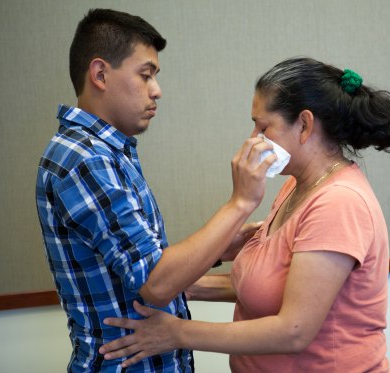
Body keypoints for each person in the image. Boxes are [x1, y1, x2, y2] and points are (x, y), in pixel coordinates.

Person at [99, 56, 390, 372]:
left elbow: (294, 332)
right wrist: (179, 285)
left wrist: (177, 332)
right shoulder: (297, 186)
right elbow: (267, 288)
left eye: (263, 126)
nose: (253, 139)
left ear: (304, 124)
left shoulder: (339, 202)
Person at [35, 8, 274, 372]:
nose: (157, 91)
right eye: (145, 76)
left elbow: (135, 262)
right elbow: (154, 283)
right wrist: (240, 202)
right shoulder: (86, 160)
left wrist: (217, 250)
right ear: (100, 74)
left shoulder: (107, 152)